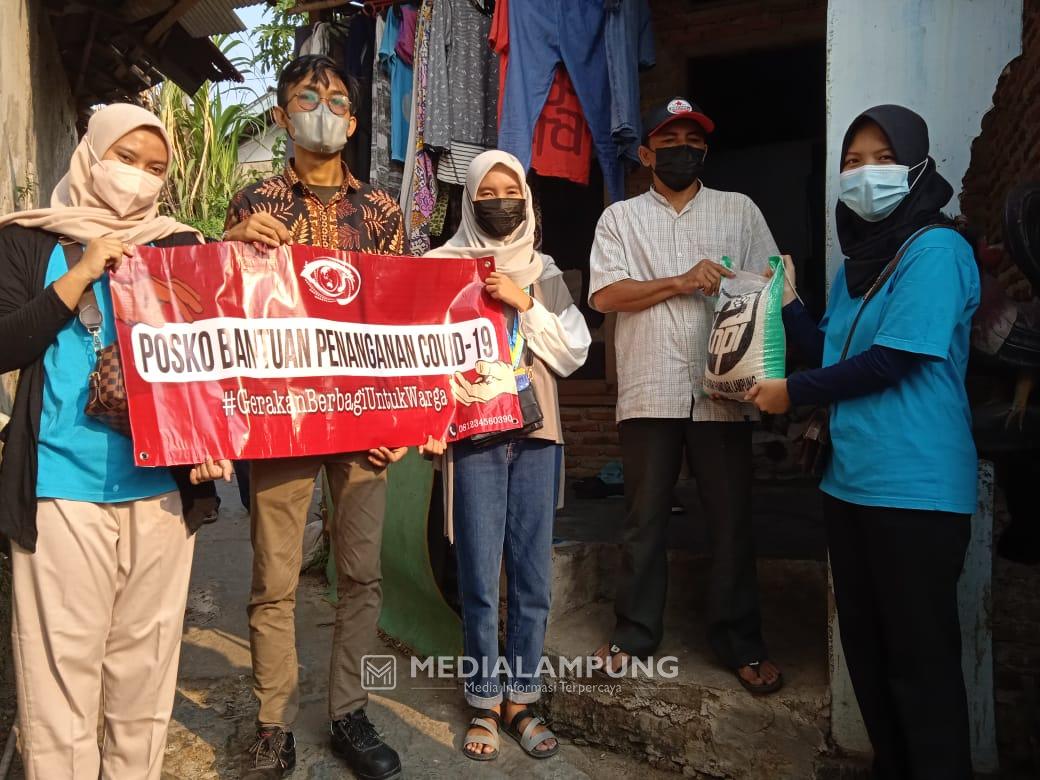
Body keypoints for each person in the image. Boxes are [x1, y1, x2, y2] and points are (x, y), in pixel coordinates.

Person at [0, 103, 231, 780]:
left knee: (144, 675)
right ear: (90, 153)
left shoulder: (178, 243)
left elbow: (211, 360)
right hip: (59, 487)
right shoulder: (28, 241)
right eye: (124, 158)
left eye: (154, 168)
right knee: (59, 679)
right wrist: (82, 273)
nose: (136, 178)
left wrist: (214, 439)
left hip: (159, 490)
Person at [748, 105, 978, 779]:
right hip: (849, 482)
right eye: (853, 161)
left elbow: (893, 361)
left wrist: (790, 393)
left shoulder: (936, 250)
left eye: (883, 158)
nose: (866, 172)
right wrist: (790, 304)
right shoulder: (858, 268)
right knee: (871, 660)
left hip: (917, 489)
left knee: (920, 666)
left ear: (917, 166)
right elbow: (831, 354)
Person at [223, 54, 436, 780]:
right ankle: (272, 725)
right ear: (282, 115)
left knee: (363, 575)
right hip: (281, 417)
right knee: (274, 579)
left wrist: (400, 423)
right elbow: (225, 307)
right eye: (307, 96)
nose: (324, 106)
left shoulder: (380, 212)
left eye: (337, 97)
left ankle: (350, 710)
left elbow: (403, 323)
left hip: (363, 425)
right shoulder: (253, 203)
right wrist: (234, 246)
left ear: (352, 119)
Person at [588, 97, 783, 694]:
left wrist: (767, 364)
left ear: (706, 151)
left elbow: (770, 284)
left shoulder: (739, 211)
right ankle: (634, 632)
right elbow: (605, 297)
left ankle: (739, 641)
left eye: (693, 140)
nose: (683, 149)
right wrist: (680, 281)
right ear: (646, 153)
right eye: (669, 140)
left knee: (730, 519)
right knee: (644, 518)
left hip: (723, 391)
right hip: (650, 388)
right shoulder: (619, 220)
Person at [425, 151, 591, 761]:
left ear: (526, 197)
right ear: (468, 200)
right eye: (487, 192)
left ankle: (522, 699)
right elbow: (420, 355)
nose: (501, 201)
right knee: (477, 569)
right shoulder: (438, 268)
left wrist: (527, 303)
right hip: (473, 434)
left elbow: (574, 353)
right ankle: (482, 701)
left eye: (511, 190)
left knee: (531, 571)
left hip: (536, 434)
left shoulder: (542, 269)